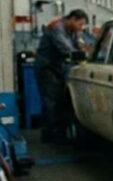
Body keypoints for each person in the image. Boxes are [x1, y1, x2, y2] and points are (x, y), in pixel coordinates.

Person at [35, 9, 88, 143]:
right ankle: (51, 135)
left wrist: (85, 50)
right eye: (80, 24)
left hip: (58, 68)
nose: (80, 28)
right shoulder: (57, 28)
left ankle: (58, 132)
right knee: (51, 102)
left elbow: (77, 47)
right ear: (72, 19)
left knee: (60, 100)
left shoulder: (72, 31)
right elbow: (66, 49)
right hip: (47, 68)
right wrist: (83, 56)